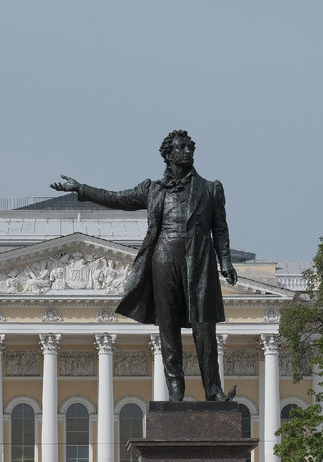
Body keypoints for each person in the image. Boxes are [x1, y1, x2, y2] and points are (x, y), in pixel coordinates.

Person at [51, 130, 238, 402]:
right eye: (182, 147)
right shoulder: (152, 189)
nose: (188, 151)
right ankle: (176, 392)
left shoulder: (210, 189)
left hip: (198, 261)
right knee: (168, 327)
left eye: (190, 147)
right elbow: (116, 198)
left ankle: (214, 391)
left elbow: (220, 229)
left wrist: (227, 261)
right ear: (168, 154)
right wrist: (82, 189)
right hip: (163, 258)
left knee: (204, 327)